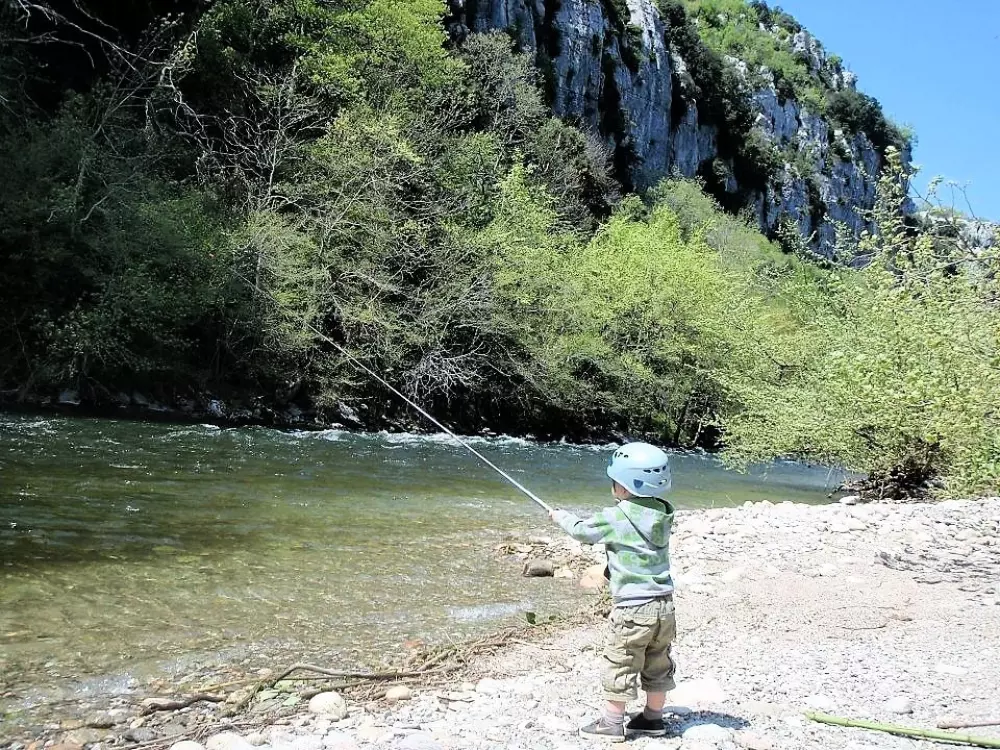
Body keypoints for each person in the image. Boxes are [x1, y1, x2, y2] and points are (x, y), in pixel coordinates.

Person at [549, 442, 676, 742]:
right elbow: (636, 546)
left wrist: (560, 517)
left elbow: (583, 532)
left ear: (623, 485)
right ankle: (652, 719)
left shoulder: (616, 516)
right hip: (664, 606)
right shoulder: (663, 513)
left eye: (614, 481)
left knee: (621, 661)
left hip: (633, 609)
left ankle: (612, 723)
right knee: (657, 660)